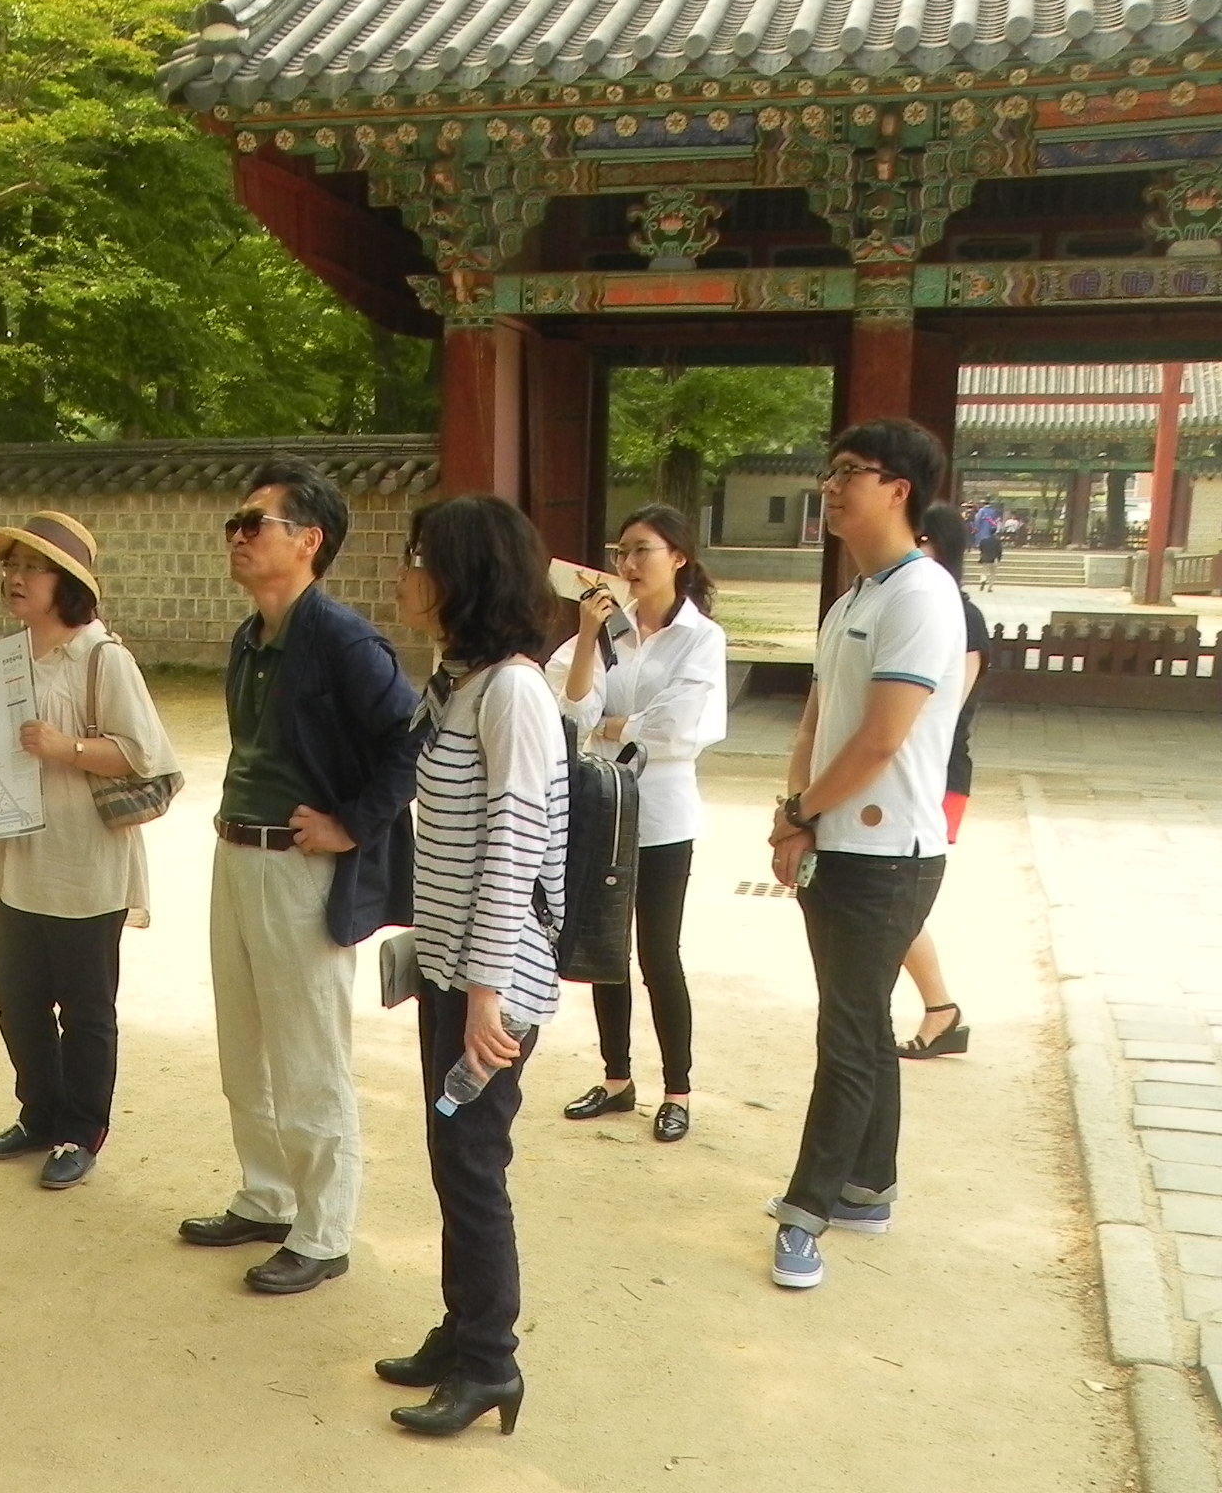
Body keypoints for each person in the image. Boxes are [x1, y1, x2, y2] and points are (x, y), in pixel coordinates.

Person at [176, 459, 421, 1296]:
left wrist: (352, 823)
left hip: (300, 869)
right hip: (236, 854)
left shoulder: (343, 639)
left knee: (309, 1052)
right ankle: (266, 1195)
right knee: (243, 1042)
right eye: (235, 524)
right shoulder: (250, 637)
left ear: (309, 540)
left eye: (256, 523)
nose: (238, 537)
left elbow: (409, 740)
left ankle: (322, 1230)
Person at [374, 495, 568, 1439]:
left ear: (465, 575)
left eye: (419, 556)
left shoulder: (514, 694)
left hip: (497, 983)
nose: (403, 572)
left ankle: (491, 1362)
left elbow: (515, 845)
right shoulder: (457, 682)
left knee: (474, 1159)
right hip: (454, 970)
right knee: (450, 1150)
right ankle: (461, 1331)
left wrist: (487, 992)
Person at [765, 418, 966, 1290]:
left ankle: (806, 1212)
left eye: (853, 471)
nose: (833, 485)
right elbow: (816, 724)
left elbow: (883, 739)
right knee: (861, 1022)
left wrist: (803, 812)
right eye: (832, 470)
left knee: (845, 1033)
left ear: (900, 490)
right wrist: (794, 816)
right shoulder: (854, 598)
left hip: (888, 855)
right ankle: (867, 1187)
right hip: (837, 843)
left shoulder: (923, 596)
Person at [0, 512, 181, 1193]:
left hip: (82, 859)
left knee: (85, 1007)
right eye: (9, 566)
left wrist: (65, 747)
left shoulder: (102, 658)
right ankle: (38, 1115)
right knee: (16, 999)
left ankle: (81, 1129)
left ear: (67, 581)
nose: (14, 578)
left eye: (31, 567)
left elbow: (144, 755)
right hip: (13, 852)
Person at [546, 504, 727, 1143]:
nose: (627, 564)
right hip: (607, 808)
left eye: (641, 550)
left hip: (666, 815)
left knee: (658, 953)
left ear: (679, 557)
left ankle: (677, 1089)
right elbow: (571, 714)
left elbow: (681, 728)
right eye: (621, 551)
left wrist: (615, 725)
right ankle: (617, 1078)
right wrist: (587, 638)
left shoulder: (701, 637)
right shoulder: (605, 632)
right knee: (607, 949)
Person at [897, 503, 988, 1061]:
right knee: (895, 902)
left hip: (938, 772)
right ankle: (940, 1009)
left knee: (898, 902)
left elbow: (944, 707)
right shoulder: (907, 600)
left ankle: (941, 1008)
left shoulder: (961, 614)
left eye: (921, 538)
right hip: (908, 770)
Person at [970, 498, 1004, 592]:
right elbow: (995, 521)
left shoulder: (981, 511)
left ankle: (983, 580)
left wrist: (976, 528)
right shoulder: (993, 511)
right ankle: (990, 587)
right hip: (990, 530)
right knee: (993, 573)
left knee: (984, 570)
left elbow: (977, 521)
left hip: (983, 532)